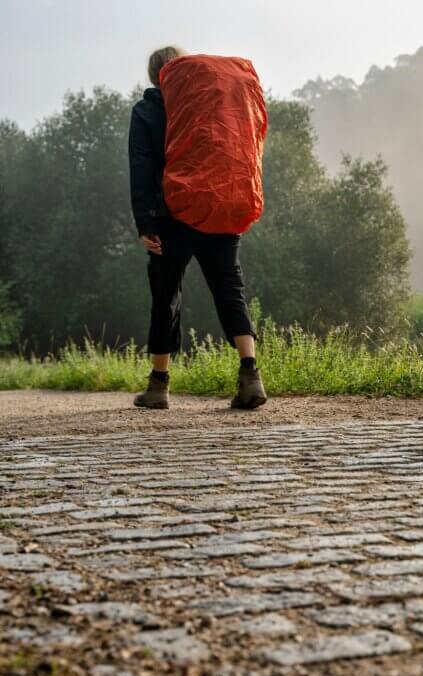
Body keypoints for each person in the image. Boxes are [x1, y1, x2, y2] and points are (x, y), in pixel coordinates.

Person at [128, 46, 267, 410]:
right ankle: (250, 374)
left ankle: (159, 386)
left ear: (155, 75)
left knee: (166, 294)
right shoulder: (214, 100)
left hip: (170, 214)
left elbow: (141, 166)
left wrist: (145, 221)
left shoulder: (148, 109)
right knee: (228, 287)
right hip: (221, 204)